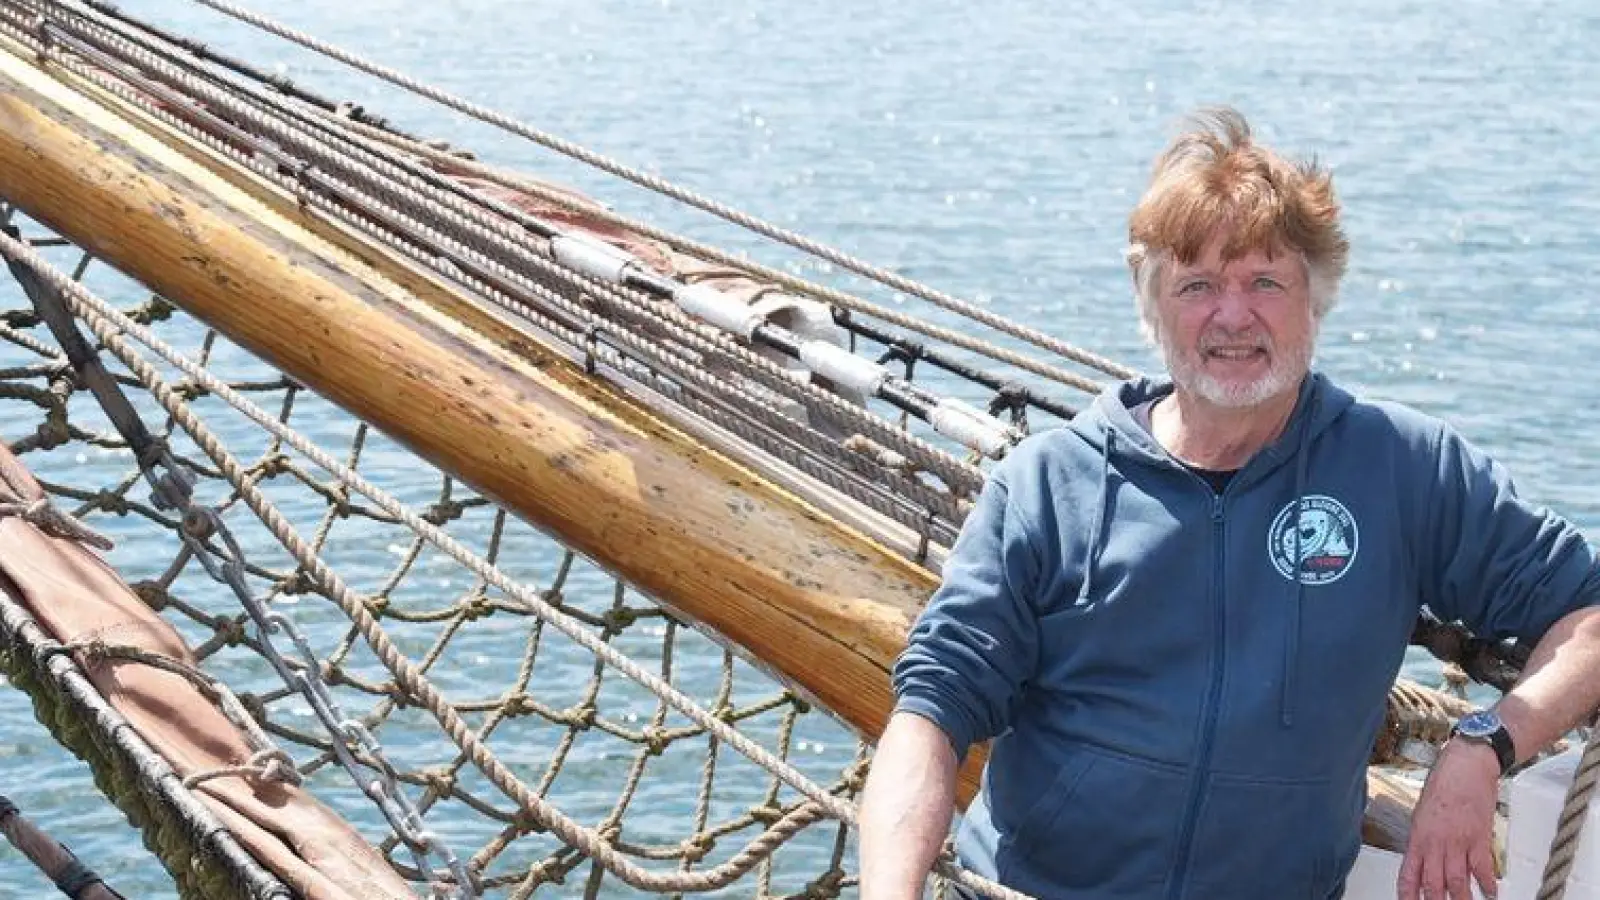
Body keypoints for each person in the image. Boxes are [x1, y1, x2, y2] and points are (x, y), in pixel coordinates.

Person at [857, 106, 1600, 900]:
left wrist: (1482, 744)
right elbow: (931, 712)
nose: (1234, 315)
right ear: (1153, 305)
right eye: (1199, 285)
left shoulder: (1402, 471)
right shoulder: (1049, 485)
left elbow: (1587, 614)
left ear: (1317, 299)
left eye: (1266, 281)